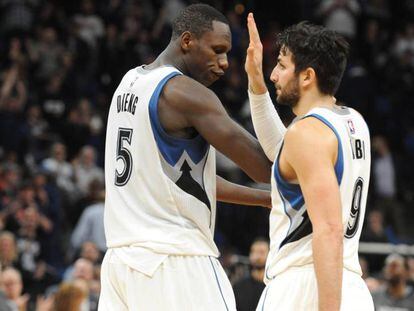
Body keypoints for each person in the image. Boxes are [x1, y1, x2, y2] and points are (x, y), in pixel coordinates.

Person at [99, 4, 272, 311]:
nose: (224, 63)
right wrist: (258, 87)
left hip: (121, 264)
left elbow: (187, 180)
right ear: (188, 41)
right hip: (176, 261)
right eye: (217, 50)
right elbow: (264, 167)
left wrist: (266, 199)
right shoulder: (186, 94)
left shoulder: (128, 83)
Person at [245, 13, 373, 310]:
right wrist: (256, 82)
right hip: (349, 284)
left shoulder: (306, 134)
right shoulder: (354, 122)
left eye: (281, 65)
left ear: (307, 76)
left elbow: (328, 229)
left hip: (308, 285)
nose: (274, 74)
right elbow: (284, 154)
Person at [233, 237, 269, 311]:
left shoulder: (274, 286)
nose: (257, 257)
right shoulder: (239, 286)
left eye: (261, 252)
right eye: (254, 252)